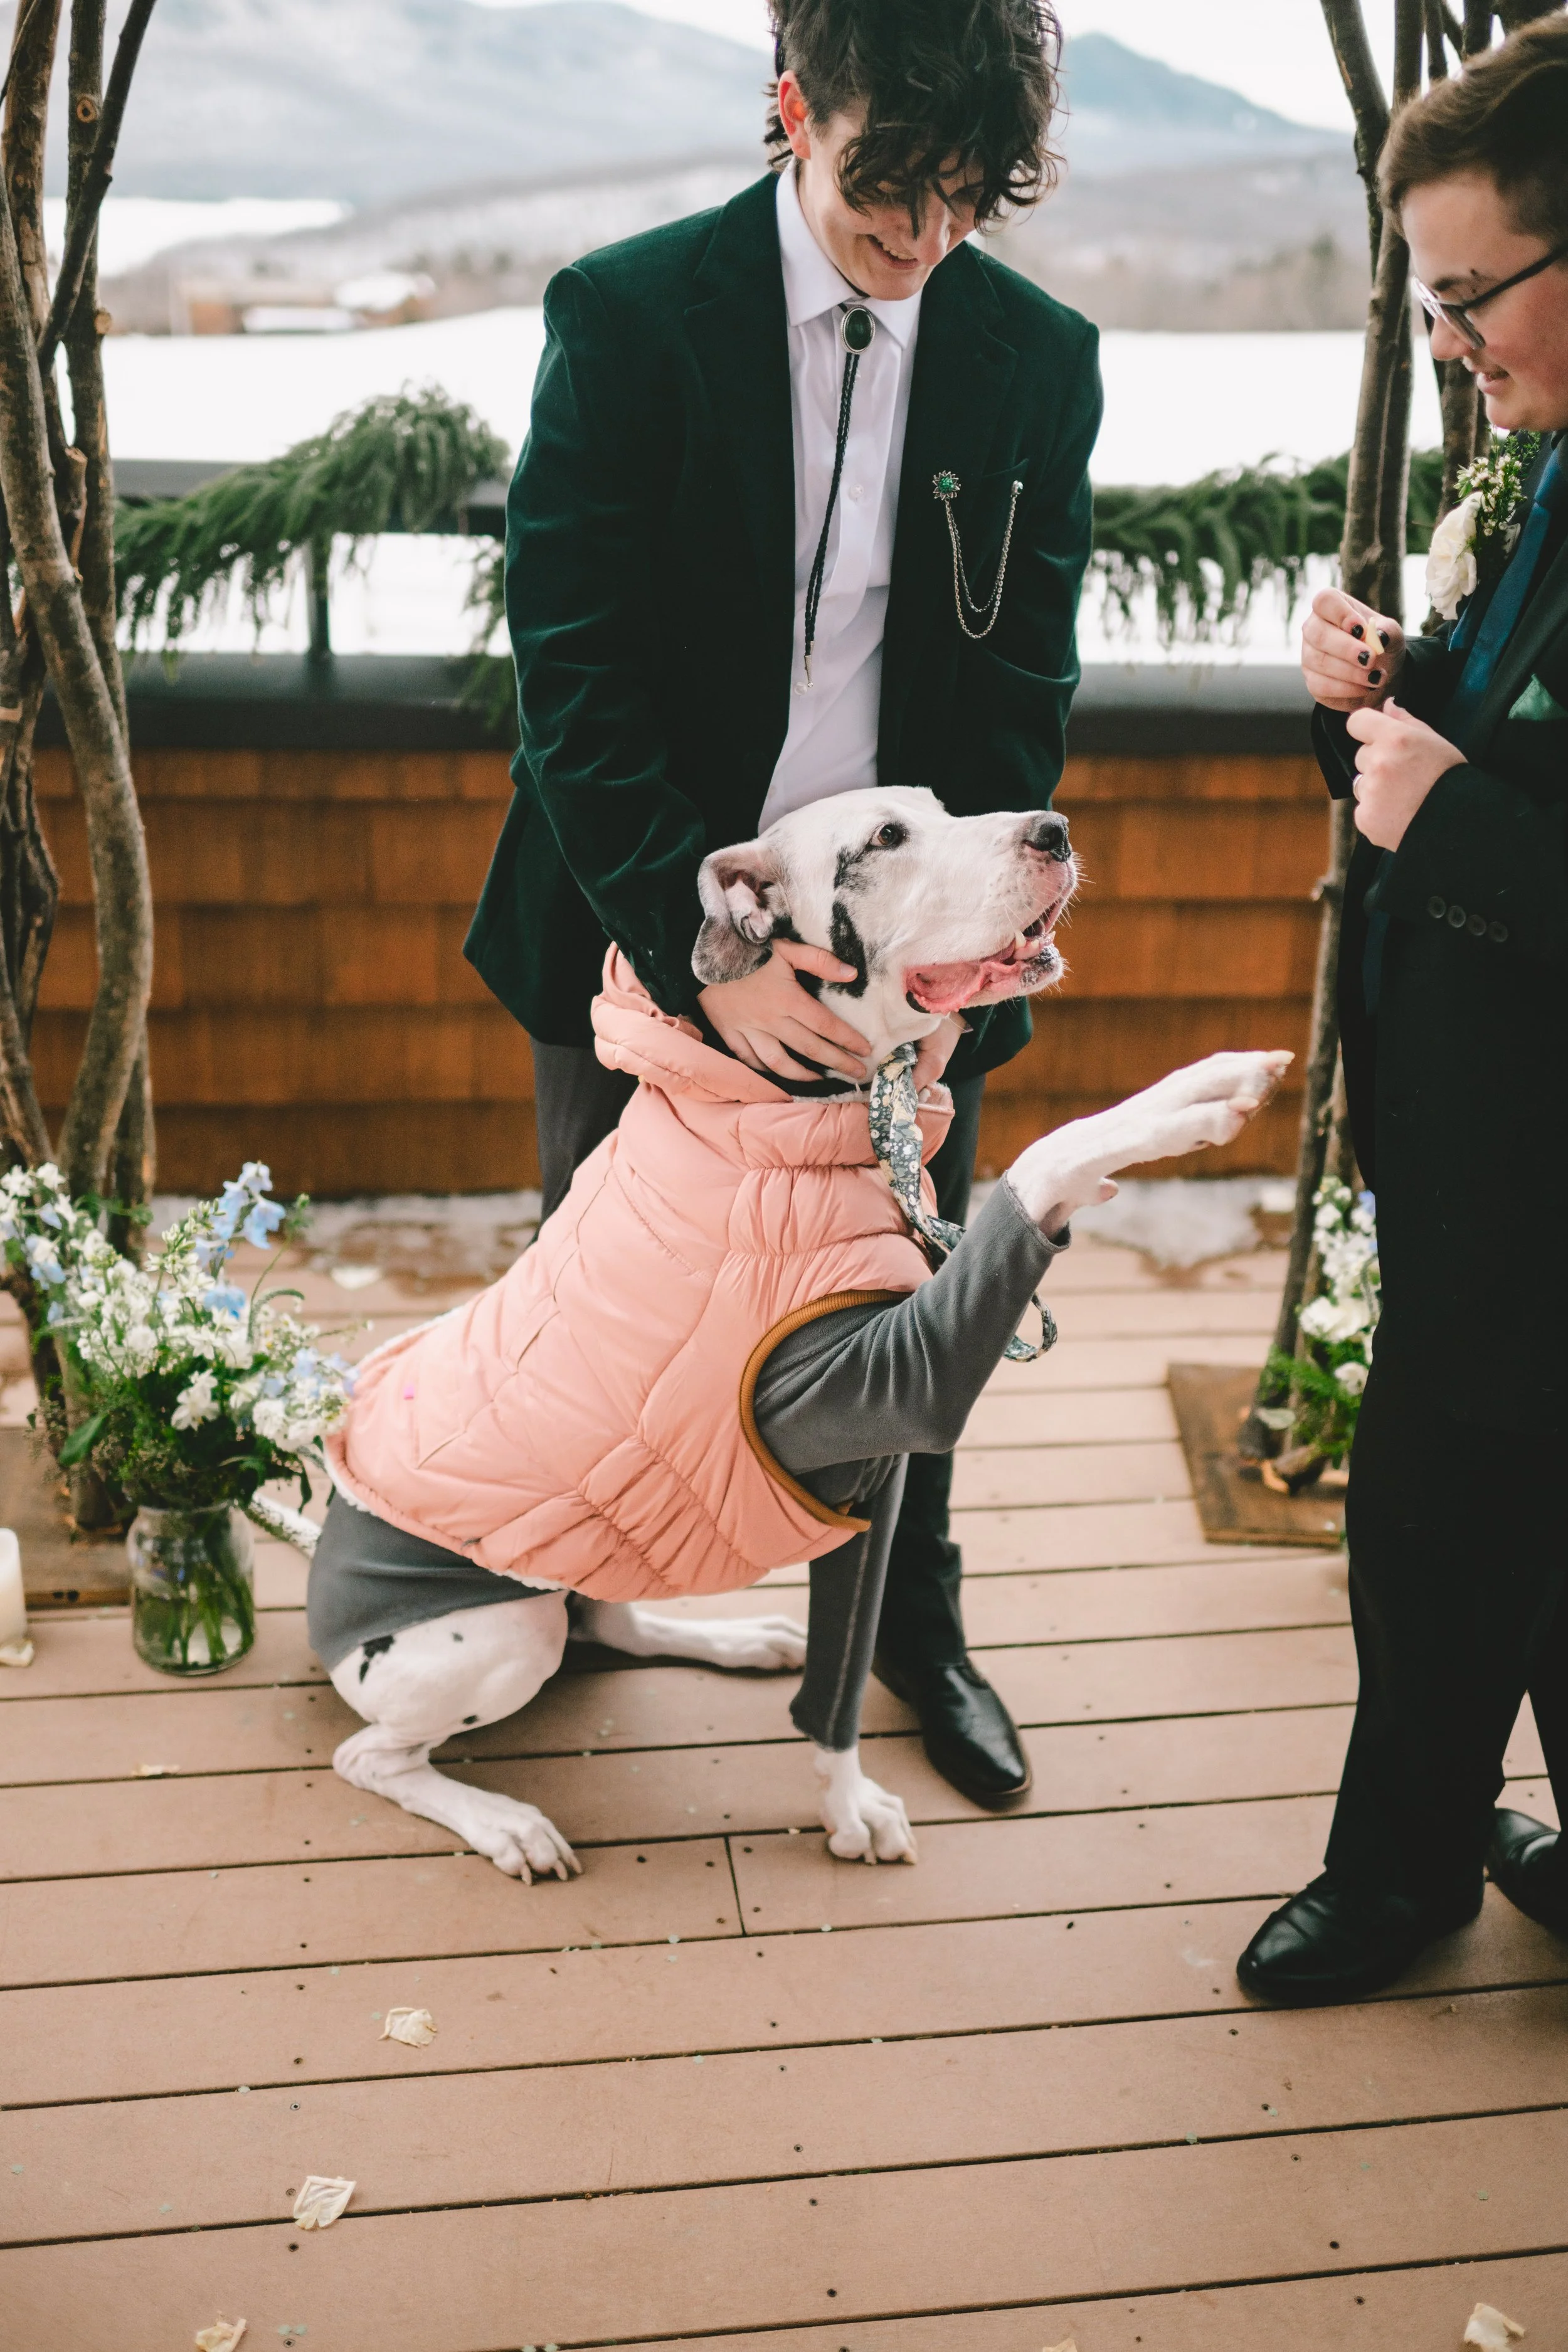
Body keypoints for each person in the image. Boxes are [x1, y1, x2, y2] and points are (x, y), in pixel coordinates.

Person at [463, 0, 1103, 1807]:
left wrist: (948, 955)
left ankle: (913, 1618)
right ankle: (565, 1588)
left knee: (908, 1297)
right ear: (788, 112)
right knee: (600, 1294)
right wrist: (702, 955)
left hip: (910, 937)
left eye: (966, 200)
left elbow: (1015, 694)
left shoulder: (1037, 360)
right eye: (887, 186)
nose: (919, 241)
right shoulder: (625, 314)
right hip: (630, 909)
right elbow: (570, 673)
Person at [1239, 17, 1568, 2006]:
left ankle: (1398, 1877)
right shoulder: (1546, 472)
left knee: (1452, 1511)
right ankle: (1427, 1852)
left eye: (1469, 292)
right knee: (1464, 1503)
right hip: (1478, 1150)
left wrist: (1442, 812)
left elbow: (1496, 816)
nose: (1450, 342)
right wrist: (1374, 693)